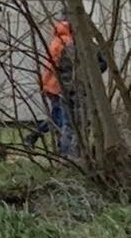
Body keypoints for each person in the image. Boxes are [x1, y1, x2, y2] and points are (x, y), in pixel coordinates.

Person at [24, 19, 106, 156]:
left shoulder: (57, 41)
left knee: (63, 120)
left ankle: (61, 150)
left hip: (60, 86)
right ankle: (69, 152)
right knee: (67, 121)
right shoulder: (69, 42)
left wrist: (45, 83)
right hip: (62, 86)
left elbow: (54, 66)